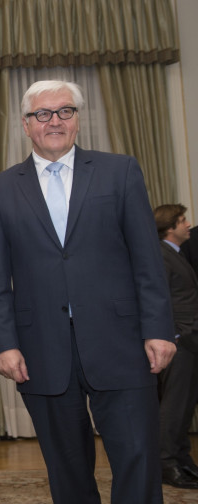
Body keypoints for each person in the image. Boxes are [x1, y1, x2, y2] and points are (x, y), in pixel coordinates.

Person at [0, 80, 176, 504]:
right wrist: (4, 344)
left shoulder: (119, 170)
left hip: (121, 343)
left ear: (78, 120)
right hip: (41, 350)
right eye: (43, 114)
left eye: (65, 111)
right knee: (66, 470)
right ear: (26, 125)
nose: (55, 121)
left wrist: (159, 329)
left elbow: (147, 259)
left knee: (138, 460)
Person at [154, 204, 198, 489]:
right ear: (170, 227)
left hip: (189, 340)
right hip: (179, 342)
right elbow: (157, 298)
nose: (187, 225)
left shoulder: (176, 254)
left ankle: (182, 459)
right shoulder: (161, 255)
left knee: (184, 407)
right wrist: (176, 335)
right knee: (174, 407)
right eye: (182, 221)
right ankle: (167, 464)